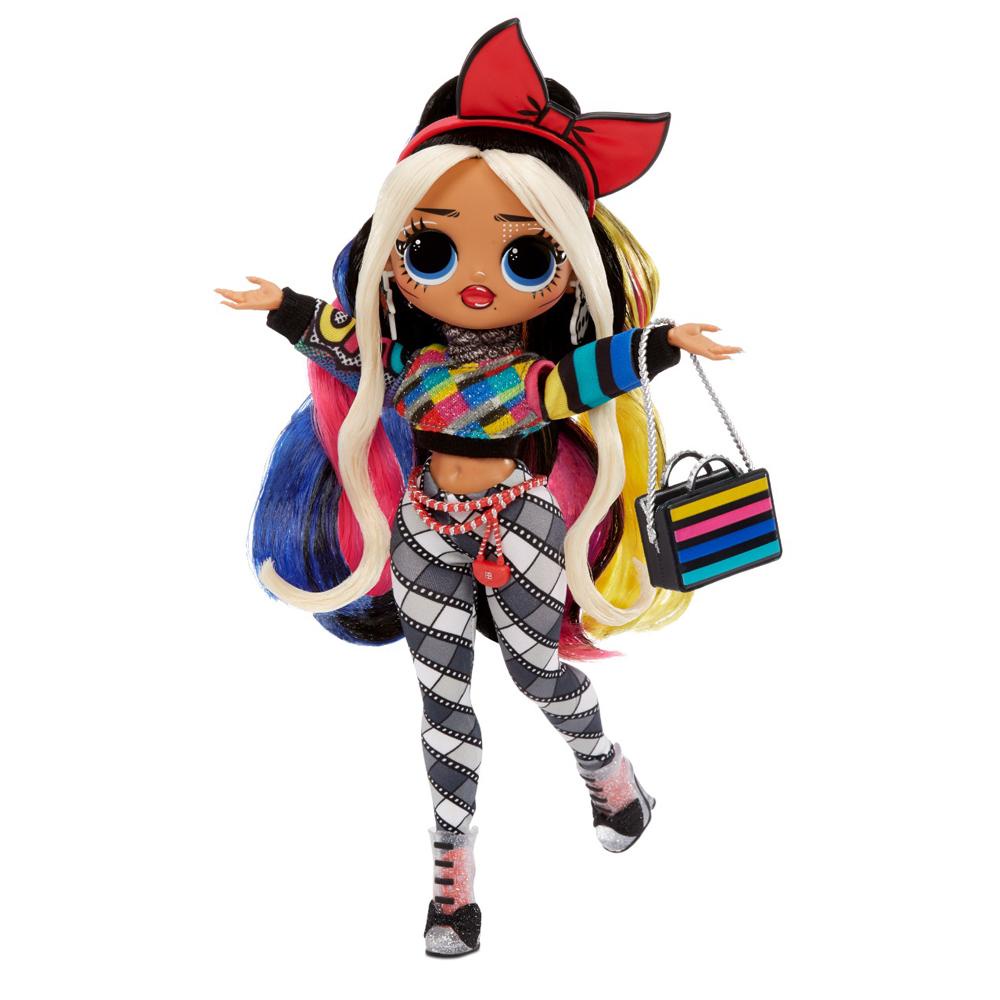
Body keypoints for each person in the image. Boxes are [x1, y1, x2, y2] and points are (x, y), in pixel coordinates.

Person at [216, 18, 740, 957]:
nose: (475, 283)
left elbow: (592, 375)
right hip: (424, 525)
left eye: (526, 258)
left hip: (525, 520)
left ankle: (606, 770)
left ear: (566, 268)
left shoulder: (538, 379)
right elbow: (342, 342)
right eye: (430, 250)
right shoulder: (406, 367)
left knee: (537, 672)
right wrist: (284, 310)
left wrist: (663, 344)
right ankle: (452, 879)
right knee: (441, 699)